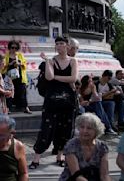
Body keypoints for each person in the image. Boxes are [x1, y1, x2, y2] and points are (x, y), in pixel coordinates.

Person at [29, 36, 78, 169]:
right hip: (51, 101)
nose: (59, 46)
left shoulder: (73, 61)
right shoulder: (50, 61)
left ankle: (60, 156)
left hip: (68, 102)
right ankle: (36, 157)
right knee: (46, 128)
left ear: (67, 46)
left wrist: (57, 77)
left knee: (66, 129)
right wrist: (49, 64)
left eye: (62, 43)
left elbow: (73, 77)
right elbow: (49, 77)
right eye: (57, 44)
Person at [59, 113, 111, 181]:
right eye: (82, 127)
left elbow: (104, 175)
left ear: (96, 131)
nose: (84, 131)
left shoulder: (102, 147)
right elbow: (76, 175)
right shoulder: (71, 146)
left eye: (89, 128)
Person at [2, 40, 31, 114]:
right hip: (9, 77)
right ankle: (8, 108)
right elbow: (3, 66)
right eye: (12, 47)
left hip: (19, 77)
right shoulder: (6, 55)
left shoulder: (20, 55)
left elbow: (25, 64)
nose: (14, 49)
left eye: (16, 48)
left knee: (22, 92)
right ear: (9, 48)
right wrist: (10, 63)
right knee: (9, 93)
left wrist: (20, 64)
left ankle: (25, 107)